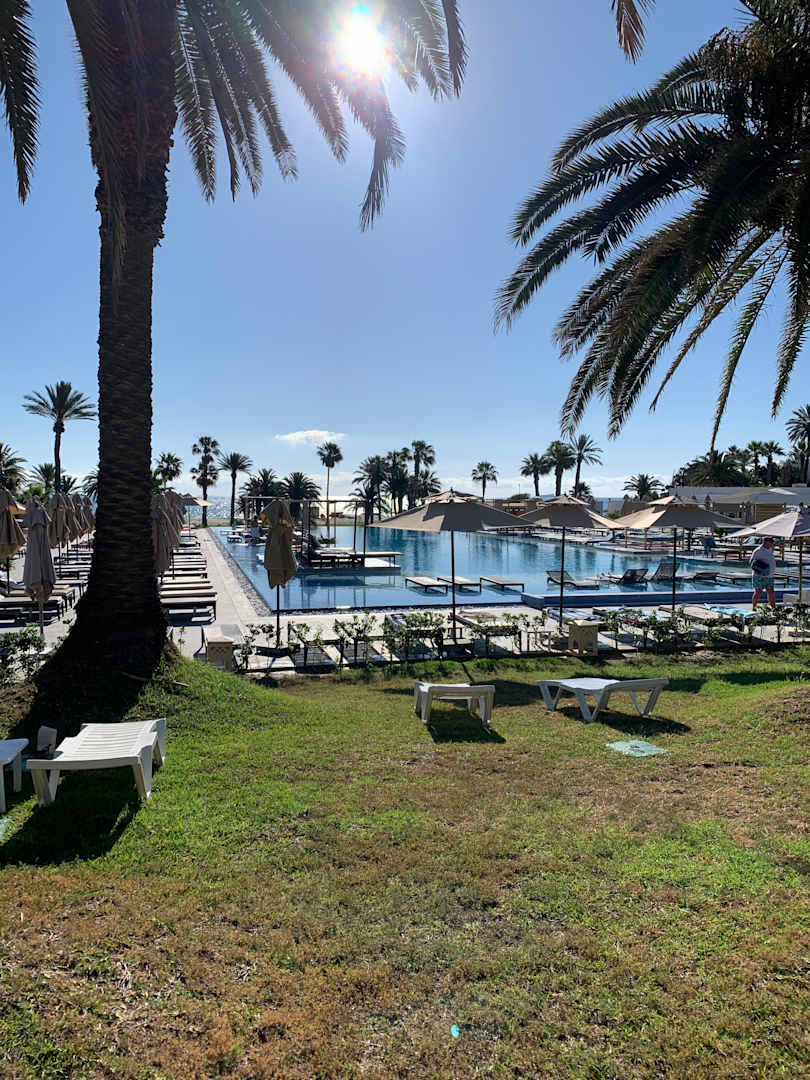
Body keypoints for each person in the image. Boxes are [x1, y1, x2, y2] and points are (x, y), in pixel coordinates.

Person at [749, 537, 776, 609]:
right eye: (771, 543)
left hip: (770, 575)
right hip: (759, 576)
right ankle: (754, 607)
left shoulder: (770, 549)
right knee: (758, 592)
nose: (772, 544)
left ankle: (773, 608)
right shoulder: (758, 551)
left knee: (771, 592)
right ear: (765, 542)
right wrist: (761, 567)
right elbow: (751, 562)